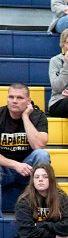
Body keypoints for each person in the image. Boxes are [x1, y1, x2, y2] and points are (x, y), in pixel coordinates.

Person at [0, 83, 51, 211]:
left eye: (19, 98)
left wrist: (25, 117)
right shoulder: (0, 115)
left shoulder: (38, 116)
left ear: (28, 101)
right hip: (4, 170)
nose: (14, 101)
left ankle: (41, 213)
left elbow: (38, 145)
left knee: (42, 155)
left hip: (29, 170)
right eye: (11, 97)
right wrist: (15, 165)